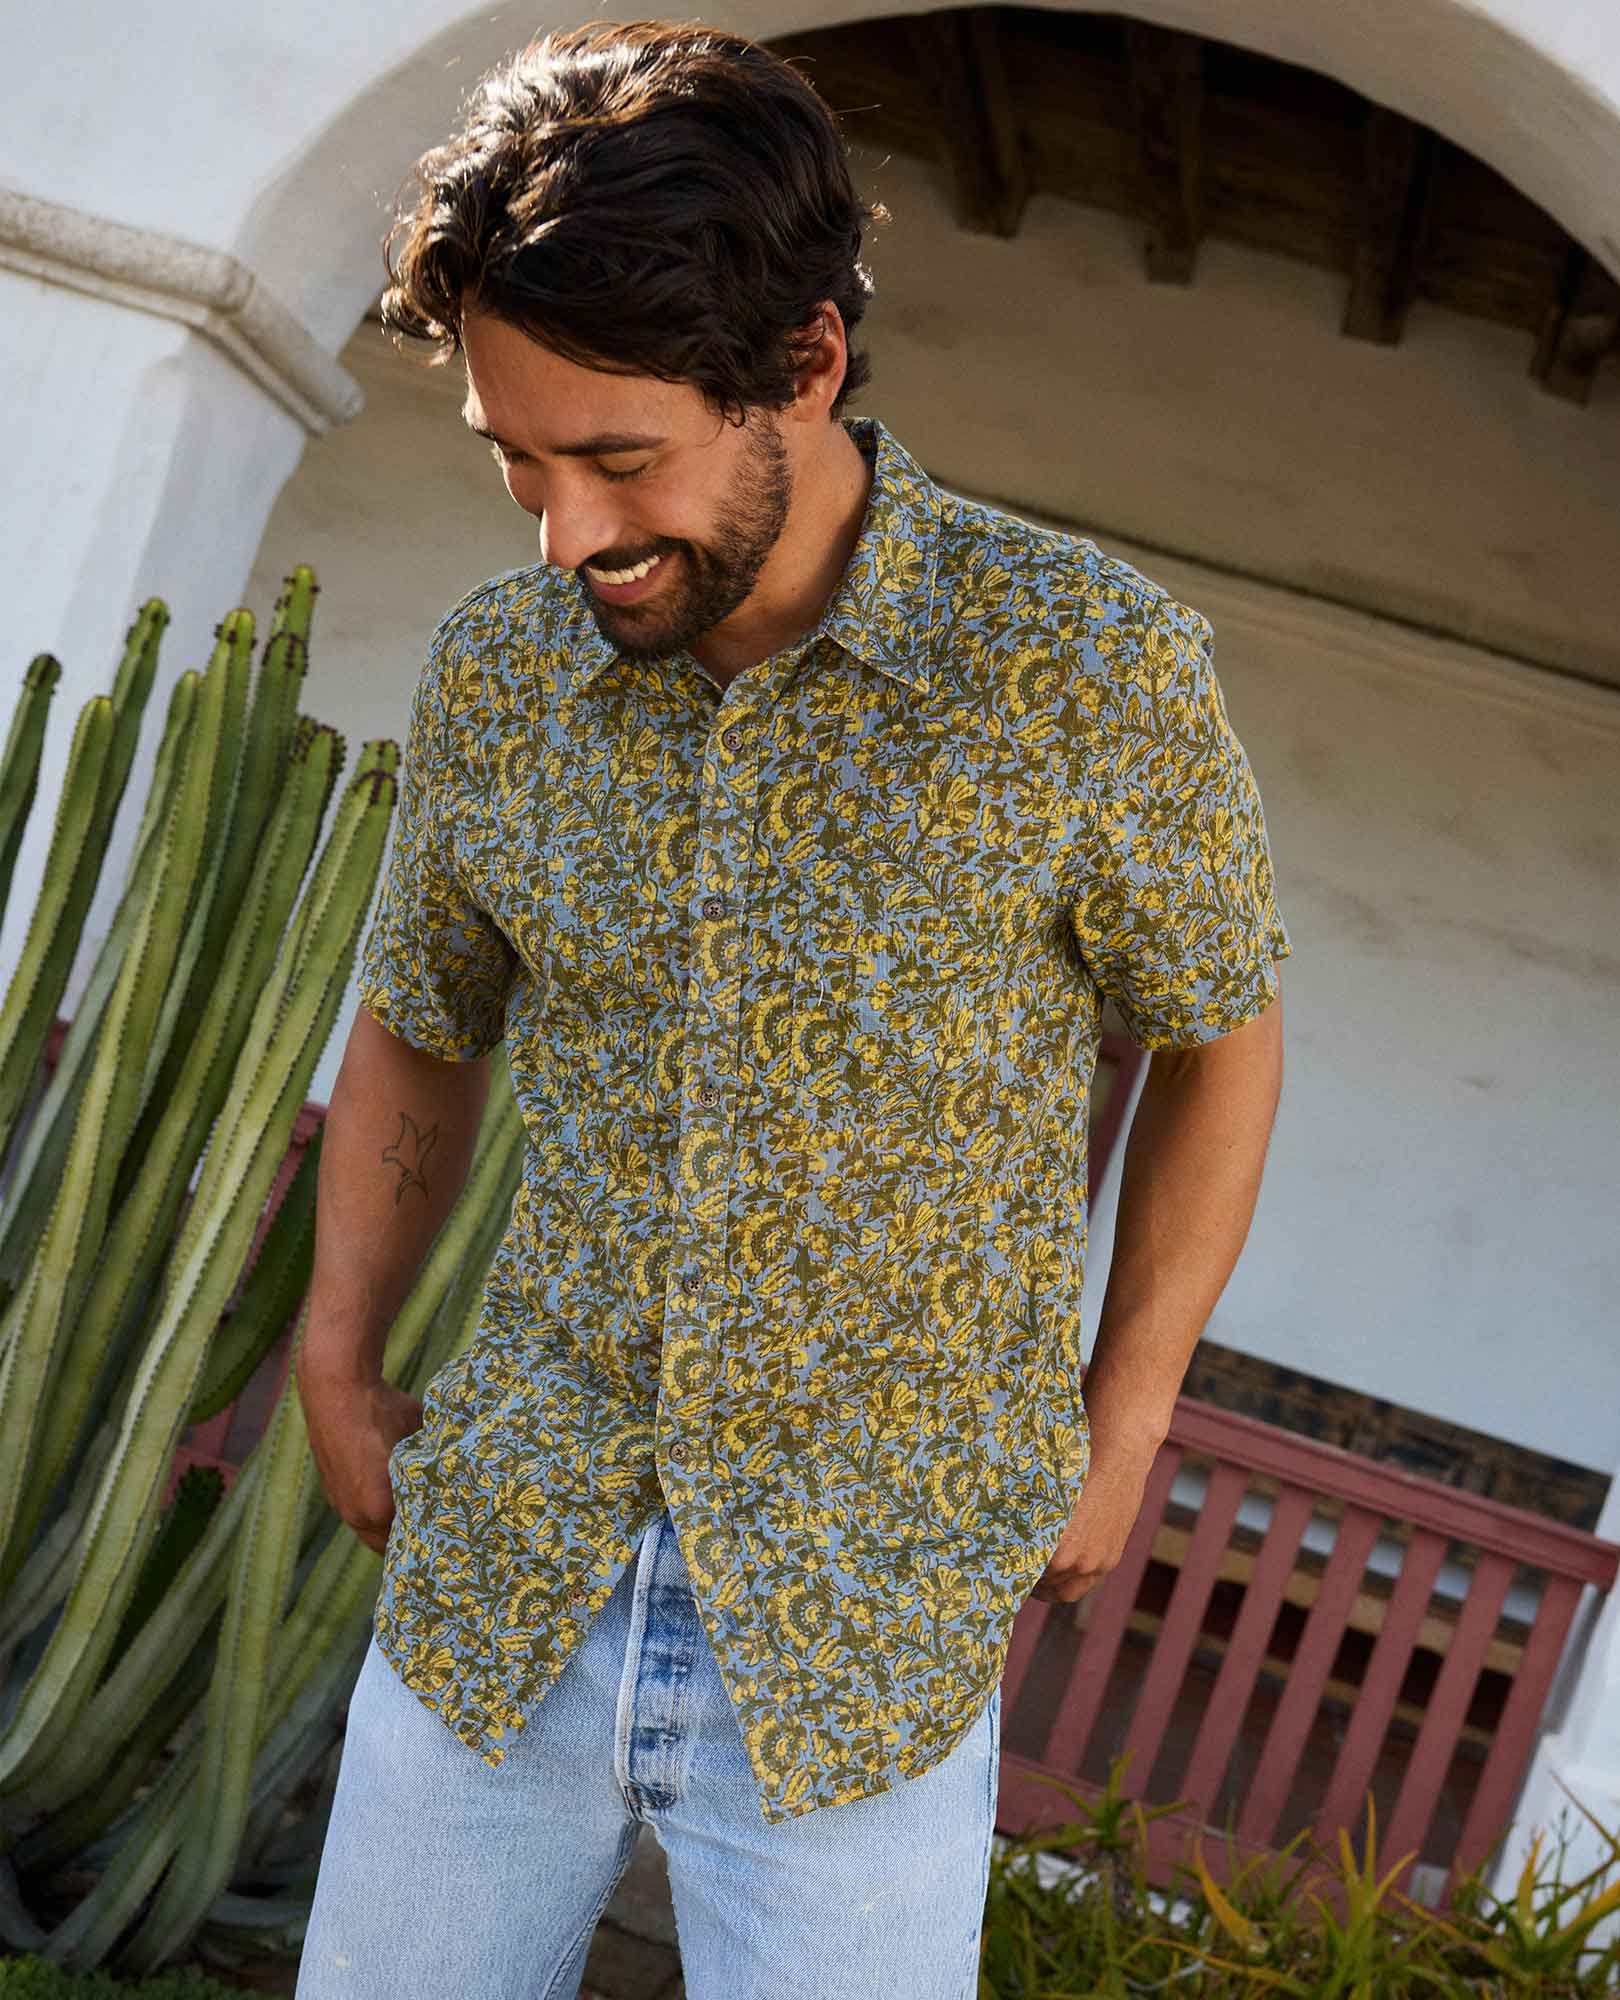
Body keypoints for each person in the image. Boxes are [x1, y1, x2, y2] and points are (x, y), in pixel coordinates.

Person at [294, 18, 1290, 1999]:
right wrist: (338, 1344)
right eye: (515, 463)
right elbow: (422, 1014)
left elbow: (1222, 1033)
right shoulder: (502, 675)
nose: (567, 535)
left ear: (808, 364)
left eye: (618, 459)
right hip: (508, 1566)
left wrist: (1130, 1412)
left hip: (872, 1627)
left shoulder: (1082, 669)